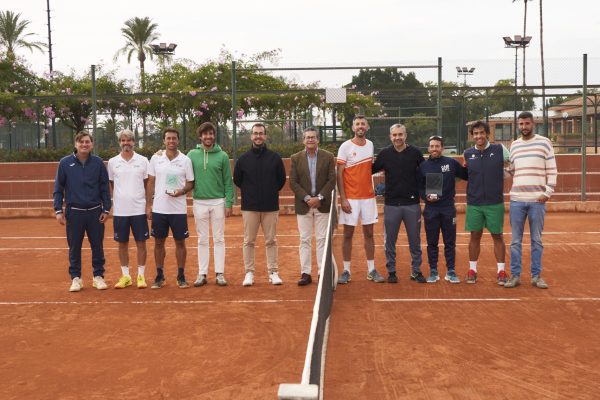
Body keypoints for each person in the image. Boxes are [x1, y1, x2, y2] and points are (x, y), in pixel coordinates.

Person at [504, 111, 557, 289]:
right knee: (515, 241)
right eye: (521, 124)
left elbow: (552, 170)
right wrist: (493, 169)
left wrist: (547, 193)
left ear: (533, 124)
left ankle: (536, 276)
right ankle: (515, 276)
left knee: (537, 240)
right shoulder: (515, 145)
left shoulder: (544, 143)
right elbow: (511, 171)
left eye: (527, 123)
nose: (524, 127)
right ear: (518, 125)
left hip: (537, 201)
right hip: (517, 200)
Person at [53, 131, 111, 292]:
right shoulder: (64, 163)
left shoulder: (98, 163)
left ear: (92, 144)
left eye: (87, 142)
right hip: (74, 213)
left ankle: (98, 276)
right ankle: (76, 278)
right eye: (81, 142)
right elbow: (58, 188)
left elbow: (104, 188)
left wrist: (106, 209)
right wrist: (58, 210)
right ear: (76, 144)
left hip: (95, 212)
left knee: (97, 246)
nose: (84, 144)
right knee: (74, 247)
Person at [233, 123, 286, 286]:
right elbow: (238, 180)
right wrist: (251, 193)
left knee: (271, 240)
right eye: (255, 133)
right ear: (251, 136)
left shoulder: (275, 158)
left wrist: (269, 192)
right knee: (249, 241)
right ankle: (249, 273)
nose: (258, 136)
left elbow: (281, 180)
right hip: (250, 207)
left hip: (270, 206)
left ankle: (273, 272)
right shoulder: (243, 159)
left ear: (265, 136)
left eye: (261, 133)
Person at [372, 123, 426, 283]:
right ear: (390, 137)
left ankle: (416, 271)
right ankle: (392, 271)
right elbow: (369, 170)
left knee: (415, 241)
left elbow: (426, 173)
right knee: (390, 241)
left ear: (405, 135)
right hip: (391, 205)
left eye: (400, 134)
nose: (397, 138)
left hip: (412, 204)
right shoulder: (384, 154)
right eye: (394, 135)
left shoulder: (415, 153)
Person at [337, 115, 384, 284]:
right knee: (348, 234)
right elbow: (339, 174)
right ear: (353, 127)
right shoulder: (345, 146)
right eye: (357, 124)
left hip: (368, 198)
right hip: (350, 198)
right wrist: (343, 198)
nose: (360, 126)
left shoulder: (370, 145)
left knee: (369, 233)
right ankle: (346, 271)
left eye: (363, 124)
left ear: (367, 127)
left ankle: (371, 269)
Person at [146, 127, 194, 289]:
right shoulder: (155, 158)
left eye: (174, 138)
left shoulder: (185, 160)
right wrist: (148, 204)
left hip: (178, 210)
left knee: (180, 242)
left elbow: (191, 183)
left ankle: (181, 276)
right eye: (168, 138)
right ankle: (159, 276)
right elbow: (151, 182)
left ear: (178, 140)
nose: (171, 141)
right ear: (164, 140)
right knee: (158, 243)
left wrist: (181, 191)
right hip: (159, 209)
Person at [187, 122, 234, 287]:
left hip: (218, 203)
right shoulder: (191, 155)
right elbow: (179, 164)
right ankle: (202, 273)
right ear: (200, 136)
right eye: (205, 134)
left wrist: (229, 202)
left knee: (219, 238)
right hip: (199, 201)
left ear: (214, 136)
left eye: (211, 134)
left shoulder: (222, 156)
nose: (208, 137)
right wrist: (161, 153)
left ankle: (220, 273)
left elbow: (228, 182)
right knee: (202, 239)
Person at [463, 121, 510, 285]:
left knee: (497, 236)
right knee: (474, 235)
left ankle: (501, 271)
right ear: (472, 136)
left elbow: (511, 166)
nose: (479, 136)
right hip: (474, 203)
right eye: (475, 134)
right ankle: (472, 270)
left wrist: (502, 175)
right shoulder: (467, 153)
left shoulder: (499, 150)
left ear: (487, 134)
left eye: (481, 133)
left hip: (494, 202)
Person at [289, 127, 336, 286]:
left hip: (322, 204)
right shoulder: (295, 158)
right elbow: (293, 182)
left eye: (313, 137)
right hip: (304, 205)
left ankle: (322, 272)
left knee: (323, 239)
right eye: (307, 137)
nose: (310, 140)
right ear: (303, 140)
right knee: (305, 239)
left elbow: (332, 180)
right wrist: (308, 198)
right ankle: (306, 273)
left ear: (318, 140)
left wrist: (320, 197)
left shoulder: (328, 157)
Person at [419, 136, 468, 283]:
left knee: (450, 242)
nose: (434, 149)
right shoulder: (423, 166)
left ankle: (451, 271)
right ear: (428, 149)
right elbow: (419, 187)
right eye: (432, 146)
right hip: (431, 210)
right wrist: (425, 197)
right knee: (432, 242)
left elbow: (466, 175)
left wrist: (467, 164)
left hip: (448, 209)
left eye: (437, 146)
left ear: (442, 148)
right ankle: (433, 271)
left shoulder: (451, 163)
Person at [108, 129, 150, 289]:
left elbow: (147, 184)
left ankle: (141, 276)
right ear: (119, 142)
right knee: (122, 244)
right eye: (123, 140)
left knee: (141, 243)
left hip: (139, 210)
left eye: (129, 140)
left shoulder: (143, 160)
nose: (126, 143)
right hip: (120, 211)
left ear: (134, 142)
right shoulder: (112, 162)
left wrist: (147, 205)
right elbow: (112, 184)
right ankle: (126, 276)